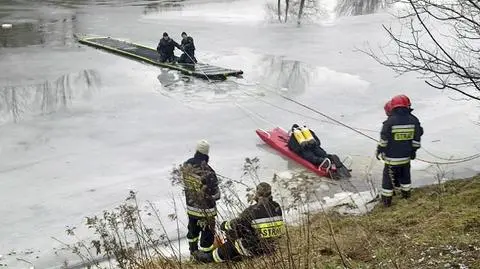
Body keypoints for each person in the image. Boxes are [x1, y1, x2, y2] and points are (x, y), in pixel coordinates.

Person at [193, 182, 284, 263]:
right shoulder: (277, 206)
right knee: (246, 231)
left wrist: (225, 225)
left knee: (233, 240)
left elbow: (237, 225)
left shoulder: (253, 210)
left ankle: (209, 258)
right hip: (273, 247)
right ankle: (236, 257)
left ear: (257, 194)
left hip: (256, 249)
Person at [376, 95, 423, 207]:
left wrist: (379, 150)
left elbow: (384, 139)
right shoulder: (414, 120)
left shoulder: (390, 121)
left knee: (388, 179)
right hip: (406, 157)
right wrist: (413, 151)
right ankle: (406, 195)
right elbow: (417, 138)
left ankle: (387, 201)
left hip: (391, 159)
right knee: (405, 177)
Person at [181, 140, 221, 257]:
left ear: (196, 150)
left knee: (192, 232)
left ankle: (193, 252)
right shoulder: (208, 171)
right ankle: (206, 256)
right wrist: (217, 194)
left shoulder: (186, 165)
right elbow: (214, 194)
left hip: (191, 208)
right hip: (206, 211)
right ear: (206, 154)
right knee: (207, 234)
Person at [287, 124, 351, 179]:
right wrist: (314, 144)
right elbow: (318, 142)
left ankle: (324, 162)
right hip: (315, 147)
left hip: (305, 150)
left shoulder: (293, 136)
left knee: (312, 158)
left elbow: (293, 148)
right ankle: (333, 160)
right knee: (324, 154)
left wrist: (301, 148)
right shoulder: (308, 132)